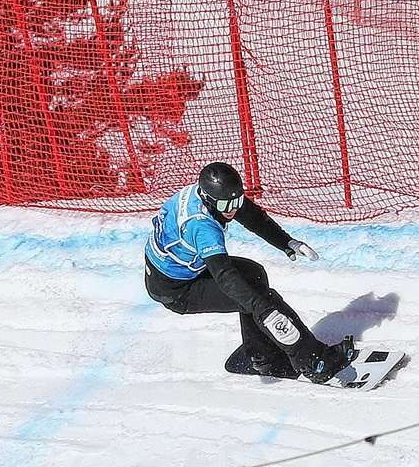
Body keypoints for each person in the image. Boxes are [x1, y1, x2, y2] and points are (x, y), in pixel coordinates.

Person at [143, 161, 353, 382]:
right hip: (176, 290)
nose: (233, 209)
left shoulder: (212, 197)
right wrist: (262, 308)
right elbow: (225, 275)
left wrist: (286, 242)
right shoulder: (202, 226)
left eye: (237, 200)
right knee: (259, 298)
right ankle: (314, 363)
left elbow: (251, 215)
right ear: (209, 199)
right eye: (227, 205)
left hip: (178, 270)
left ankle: (262, 356)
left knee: (254, 274)